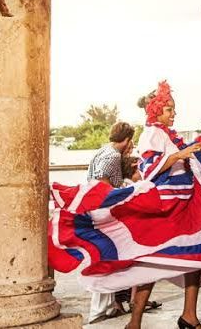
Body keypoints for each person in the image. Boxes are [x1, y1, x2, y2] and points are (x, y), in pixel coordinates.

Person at [49, 81, 201, 329]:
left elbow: (183, 162)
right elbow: (148, 169)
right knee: (152, 260)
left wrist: (198, 151)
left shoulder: (170, 134)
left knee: (196, 255)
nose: (174, 113)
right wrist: (179, 155)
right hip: (166, 207)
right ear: (156, 111)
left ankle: (189, 315)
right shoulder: (151, 134)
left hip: (185, 204)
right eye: (169, 109)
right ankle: (135, 321)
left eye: (174, 109)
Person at [85, 122, 135, 324]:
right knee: (109, 257)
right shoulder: (113, 155)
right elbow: (102, 180)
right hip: (103, 210)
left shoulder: (102, 150)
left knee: (107, 257)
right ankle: (102, 309)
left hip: (93, 209)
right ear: (127, 139)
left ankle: (111, 305)